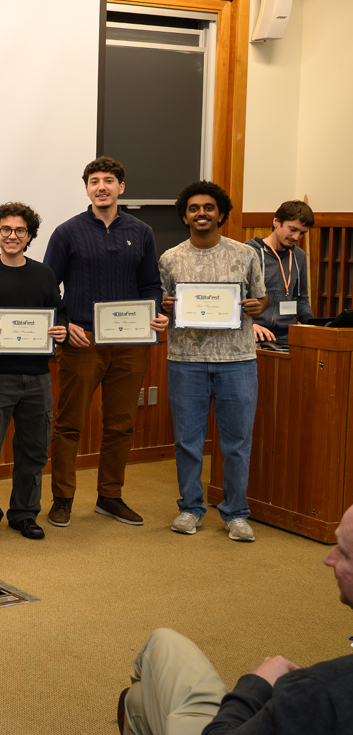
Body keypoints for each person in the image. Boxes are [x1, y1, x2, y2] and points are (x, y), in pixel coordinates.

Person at [116, 503, 353, 734]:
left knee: (162, 642)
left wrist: (257, 684)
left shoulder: (320, 692)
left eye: (342, 553)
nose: (328, 559)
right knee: (139, 702)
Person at [44, 157, 168, 528]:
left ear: (121, 187)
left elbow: (149, 285)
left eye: (109, 180)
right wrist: (65, 324)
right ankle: (63, 498)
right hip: (83, 342)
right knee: (69, 424)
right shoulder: (67, 232)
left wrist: (157, 312)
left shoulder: (141, 231)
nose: (102, 186)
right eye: (95, 181)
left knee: (121, 423)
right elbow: (48, 287)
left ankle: (110, 496)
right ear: (86, 189)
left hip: (130, 343)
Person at [158, 181, 266, 542]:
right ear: (185, 215)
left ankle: (236, 514)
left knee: (237, 441)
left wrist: (256, 307)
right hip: (185, 361)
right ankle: (190, 509)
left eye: (208, 207)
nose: (201, 213)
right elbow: (162, 305)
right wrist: (166, 306)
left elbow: (260, 299)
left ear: (221, 213)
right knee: (187, 440)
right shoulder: (170, 258)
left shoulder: (245, 254)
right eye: (193, 208)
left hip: (237, 360)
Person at [0, 203, 66, 542]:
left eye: (20, 231)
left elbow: (58, 315)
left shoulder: (44, 274)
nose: (12, 236)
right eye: (6, 230)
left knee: (34, 451)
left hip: (38, 377)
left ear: (30, 235)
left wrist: (60, 330)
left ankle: (24, 514)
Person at [248, 200, 314, 343]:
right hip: (255, 333)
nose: (296, 237)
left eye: (302, 233)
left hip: (286, 334)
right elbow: (237, 297)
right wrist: (249, 325)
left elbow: (301, 298)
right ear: (276, 221)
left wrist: (312, 324)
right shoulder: (249, 251)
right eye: (293, 229)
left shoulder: (299, 255)